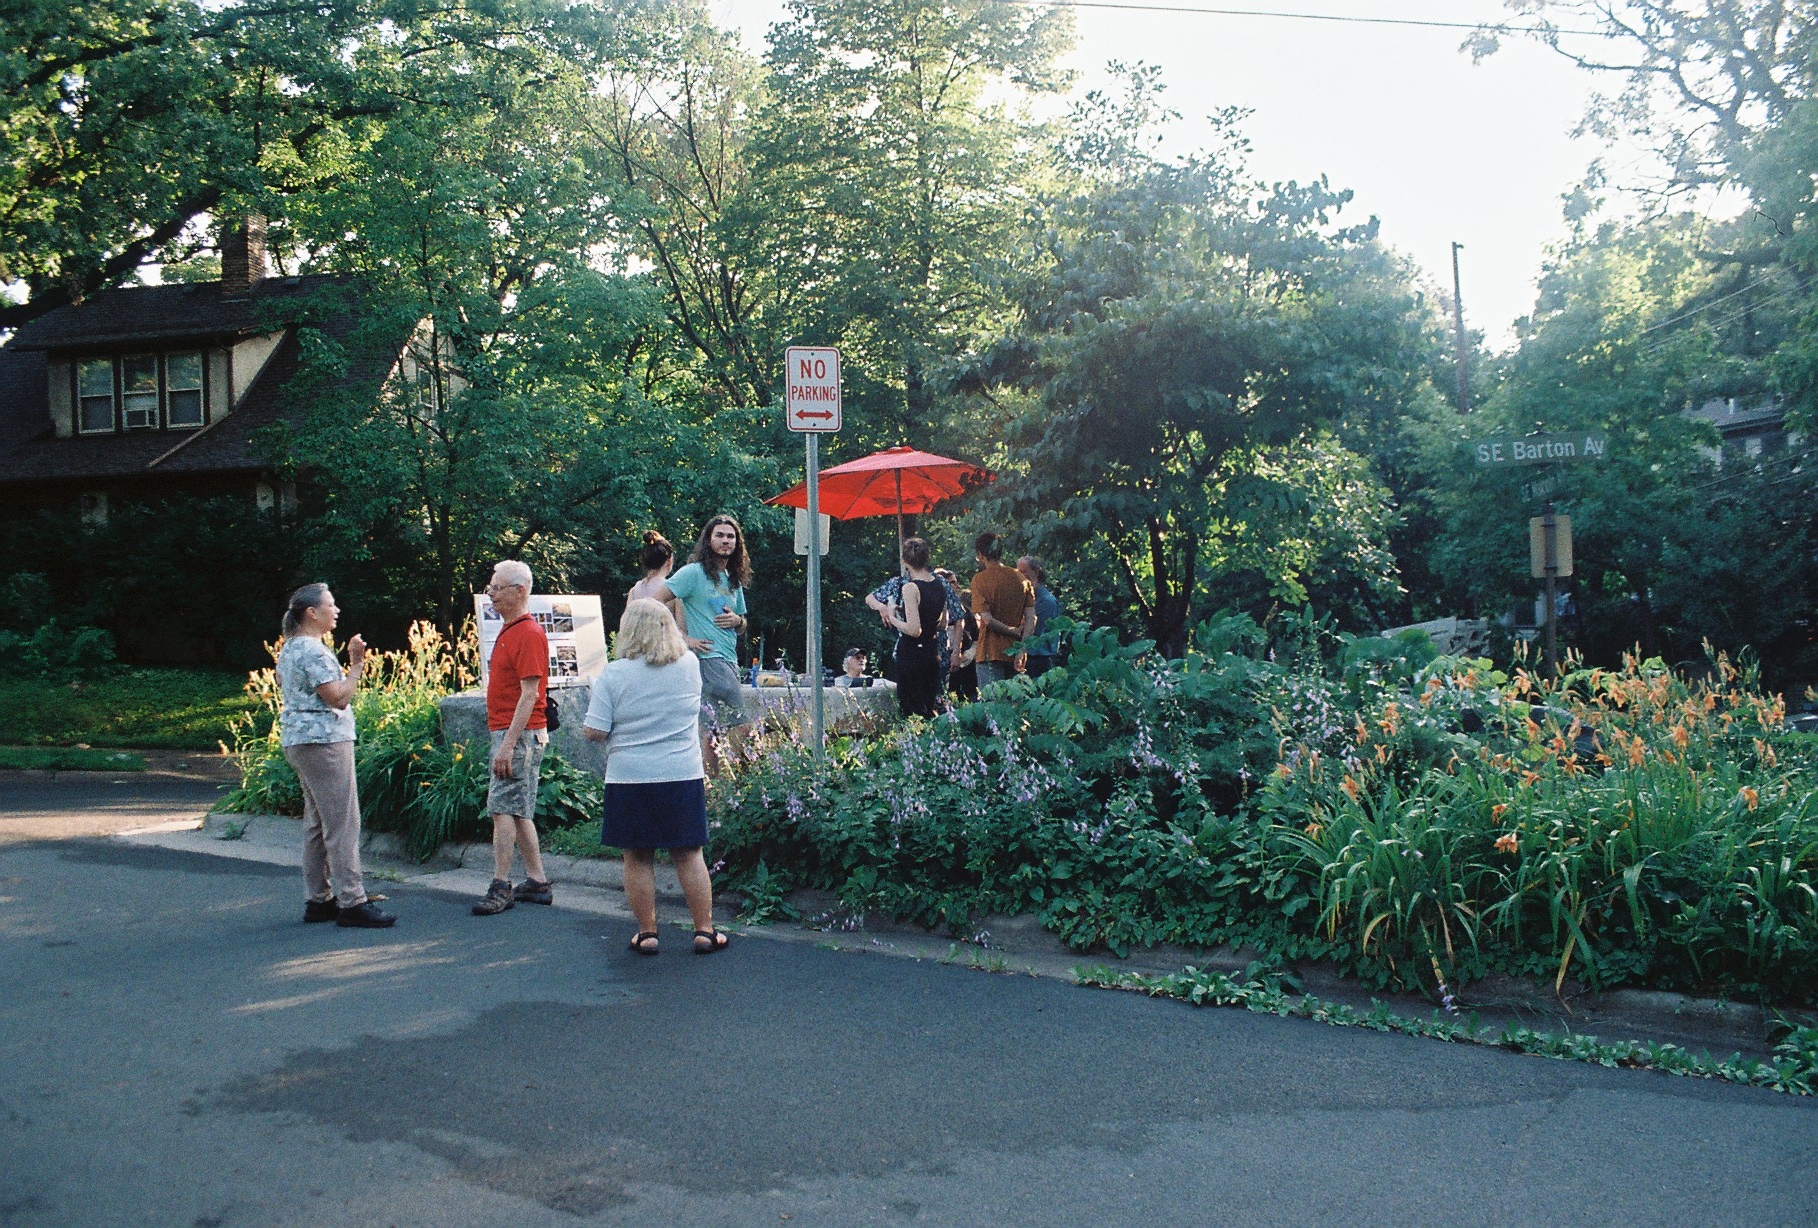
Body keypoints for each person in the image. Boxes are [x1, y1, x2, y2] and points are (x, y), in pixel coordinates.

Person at [583, 599, 729, 955]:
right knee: (689, 853)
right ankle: (705, 930)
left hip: (629, 776)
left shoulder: (614, 674)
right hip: (680, 772)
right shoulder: (689, 666)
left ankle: (647, 932)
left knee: (637, 856)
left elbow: (595, 732)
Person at [276, 583, 395, 928]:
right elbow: (338, 697)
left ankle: (319, 899)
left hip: (301, 741)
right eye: (331, 604)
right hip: (324, 742)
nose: (337, 610)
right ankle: (352, 901)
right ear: (311, 612)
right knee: (343, 823)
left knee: (317, 823)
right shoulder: (313, 651)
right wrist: (356, 664)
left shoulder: (291, 647)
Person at [472, 559, 555, 916]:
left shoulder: (527, 633)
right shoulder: (512, 629)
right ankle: (537, 881)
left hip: (517, 733)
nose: (491, 593)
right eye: (491, 587)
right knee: (518, 809)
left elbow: (530, 694)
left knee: (502, 807)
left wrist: (507, 745)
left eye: (497, 588)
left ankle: (501, 883)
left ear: (519, 591)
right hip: (514, 731)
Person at [647, 516, 752, 772]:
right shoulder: (694, 573)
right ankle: (735, 783)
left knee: (713, 730)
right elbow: (652, 604)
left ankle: (711, 791)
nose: (726, 540)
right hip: (709, 658)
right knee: (742, 726)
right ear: (708, 540)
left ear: (737, 543)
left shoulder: (731, 578)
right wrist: (684, 639)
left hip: (728, 660)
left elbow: (743, 626)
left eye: (731, 536)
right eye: (720, 535)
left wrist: (738, 620)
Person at [879, 537, 948, 718]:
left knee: (911, 710)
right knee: (928, 705)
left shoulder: (910, 588)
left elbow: (914, 629)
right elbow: (943, 623)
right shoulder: (940, 584)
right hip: (932, 652)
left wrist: (891, 616)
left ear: (905, 560)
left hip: (912, 654)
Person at [969, 531, 1036, 688]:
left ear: (980, 554)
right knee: (1014, 705)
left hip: (989, 651)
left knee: (992, 706)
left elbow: (987, 619)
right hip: (1015, 651)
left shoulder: (980, 580)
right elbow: (1032, 618)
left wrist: (1012, 630)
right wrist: (1022, 649)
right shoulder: (1021, 579)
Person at [627, 530, 686, 629]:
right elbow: (682, 629)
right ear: (669, 562)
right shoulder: (673, 590)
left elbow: (628, 627)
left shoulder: (634, 591)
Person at [1016, 555, 1063, 679]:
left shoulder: (1046, 601)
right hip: (1027, 656)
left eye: (1023, 571)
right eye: (1018, 571)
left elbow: (1032, 629)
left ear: (1035, 572)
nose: (1019, 575)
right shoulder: (1025, 598)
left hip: (1039, 659)